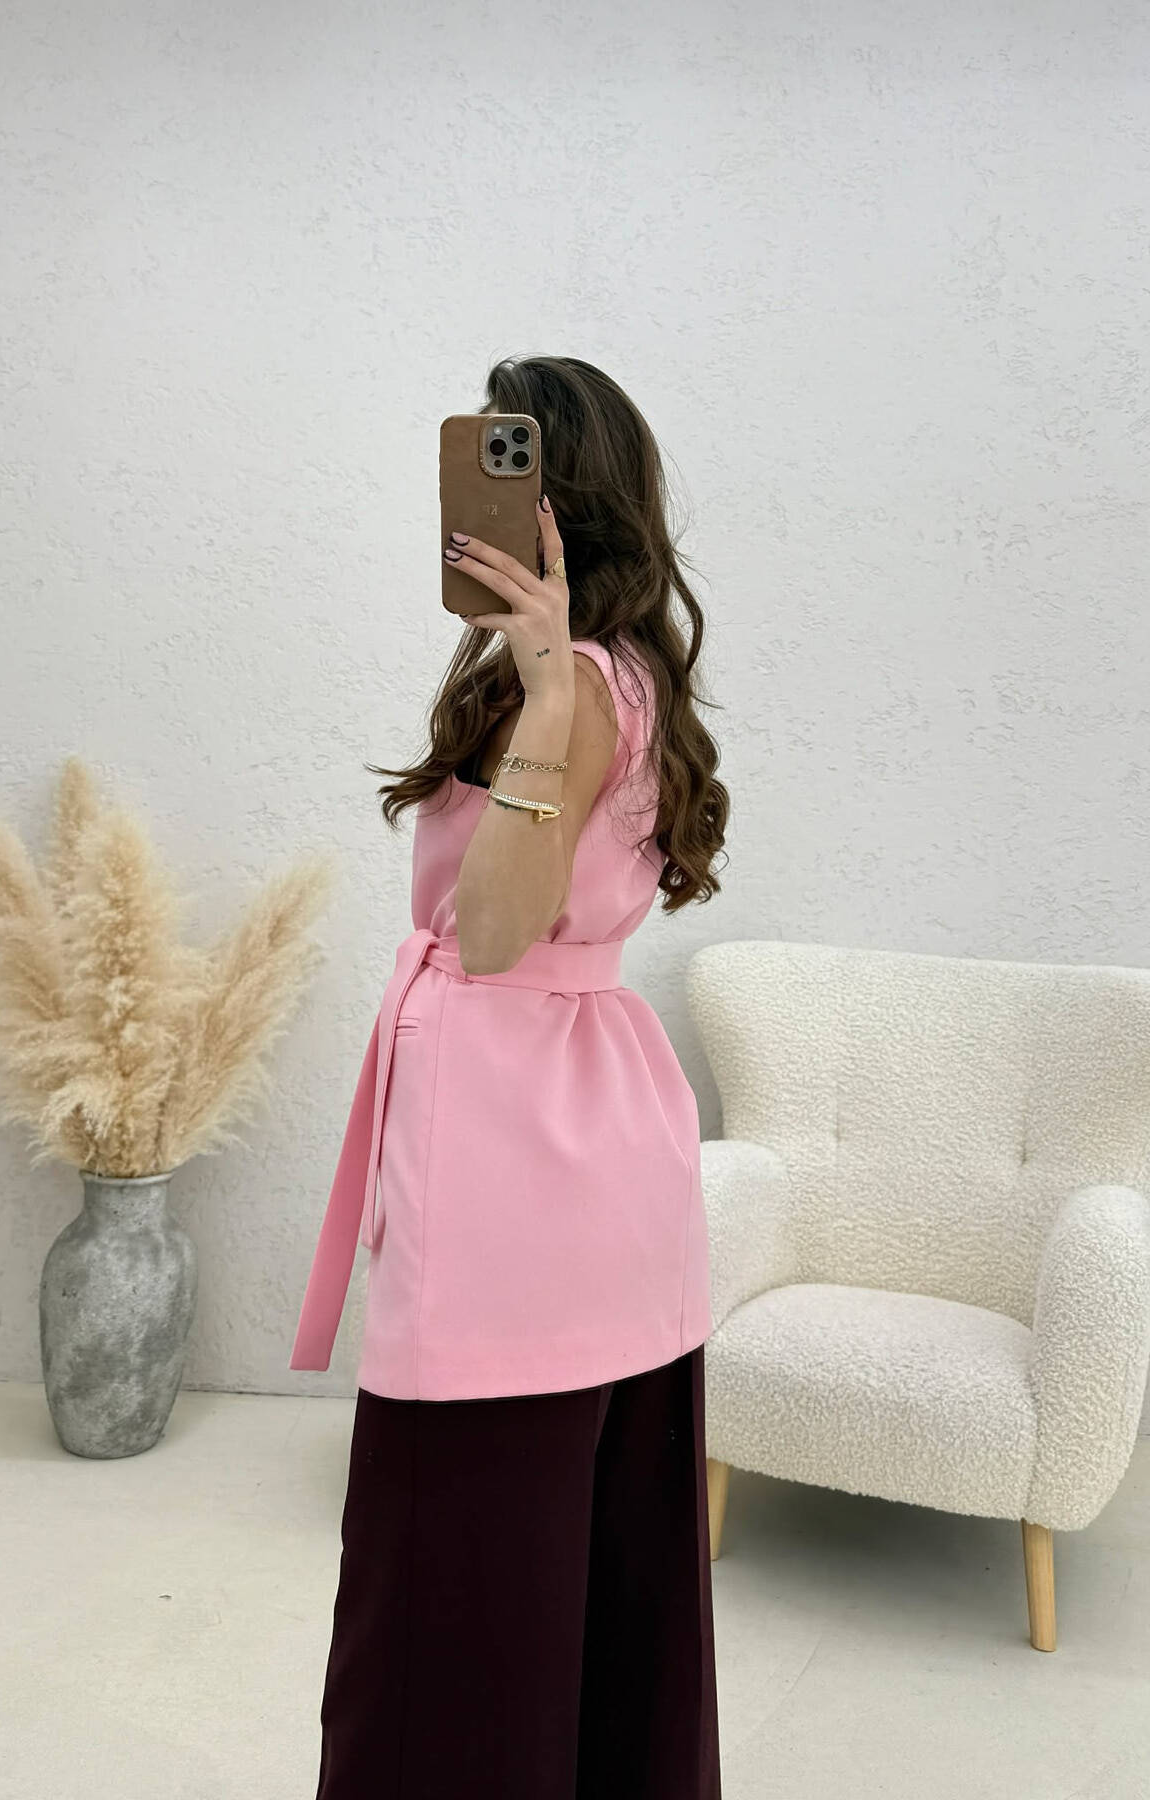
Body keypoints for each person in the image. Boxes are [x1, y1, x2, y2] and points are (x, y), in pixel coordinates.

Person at [290, 354, 731, 1799]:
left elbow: (487, 936)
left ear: (562, 502)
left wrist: (542, 700)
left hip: (512, 1160)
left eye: (510, 463)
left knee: (451, 1597)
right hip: (596, 1147)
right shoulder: (628, 675)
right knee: (600, 1583)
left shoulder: (575, 688)